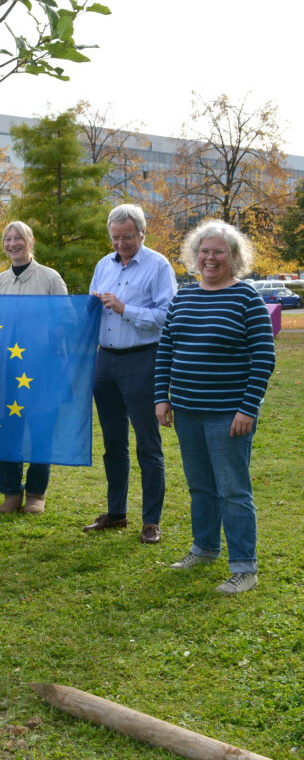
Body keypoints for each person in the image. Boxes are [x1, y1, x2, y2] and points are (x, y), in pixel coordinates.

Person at [155, 220, 274, 594]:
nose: (210, 258)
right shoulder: (184, 296)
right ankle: (205, 548)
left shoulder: (247, 298)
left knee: (233, 490)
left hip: (229, 415)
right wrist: (162, 396)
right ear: (195, 255)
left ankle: (244, 567)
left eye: (218, 251)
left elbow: (264, 357)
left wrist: (248, 408)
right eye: (204, 251)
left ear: (234, 257)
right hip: (187, 411)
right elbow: (166, 351)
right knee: (200, 486)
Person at [84, 204, 177, 544]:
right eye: (115, 238)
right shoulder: (102, 265)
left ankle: (151, 521)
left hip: (142, 360)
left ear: (142, 233)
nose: (120, 244)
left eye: (127, 237)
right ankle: (116, 512)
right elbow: (94, 308)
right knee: (112, 443)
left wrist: (125, 309)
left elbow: (168, 315)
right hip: (105, 361)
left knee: (147, 444)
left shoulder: (158, 265)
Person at [0, 221, 67, 514]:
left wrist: (45, 335)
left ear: (29, 241)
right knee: (8, 431)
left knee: (40, 430)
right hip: (6, 372)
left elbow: (68, 319)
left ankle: (36, 493)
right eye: (7, 239)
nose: (12, 244)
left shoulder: (50, 278)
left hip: (41, 370)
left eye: (18, 238)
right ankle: (10, 493)